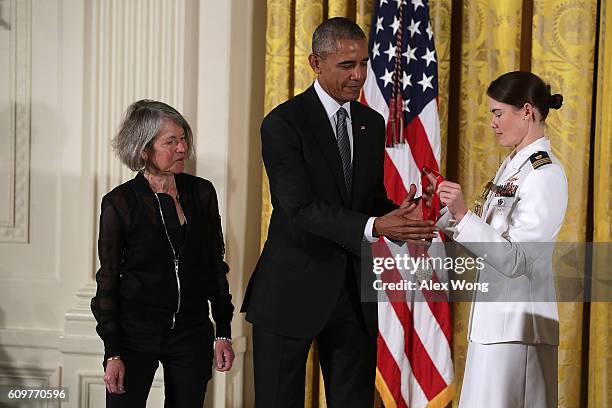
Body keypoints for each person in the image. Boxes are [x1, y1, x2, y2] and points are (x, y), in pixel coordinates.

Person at [241, 17, 436, 407]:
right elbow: (297, 207)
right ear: (316, 62)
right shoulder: (283, 123)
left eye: (363, 64)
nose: (359, 75)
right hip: (291, 291)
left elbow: (366, 200)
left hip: (351, 293)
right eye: (347, 65)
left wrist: (401, 215)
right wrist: (376, 224)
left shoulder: (370, 122)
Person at [429, 71, 567, 407]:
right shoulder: (512, 167)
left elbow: (517, 259)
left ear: (526, 111)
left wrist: (462, 216)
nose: (492, 122)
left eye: (497, 113)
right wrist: (446, 212)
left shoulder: (544, 174)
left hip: (519, 329)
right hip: (495, 326)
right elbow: (489, 232)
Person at [91, 100, 235, 407]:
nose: (182, 148)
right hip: (134, 336)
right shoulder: (119, 203)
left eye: (183, 139)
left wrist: (223, 331)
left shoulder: (202, 192)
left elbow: (215, 267)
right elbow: (108, 280)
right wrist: (112, 352)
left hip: (191, 333)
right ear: (144, 150)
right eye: (171, 142)